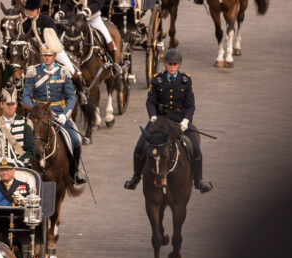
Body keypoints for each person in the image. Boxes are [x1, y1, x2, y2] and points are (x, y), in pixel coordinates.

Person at [126, 48, 213, 192]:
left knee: (195, 149)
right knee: (139, 146)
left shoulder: (186, 80)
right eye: (169, 64)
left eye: (175, 64)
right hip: (160, 120)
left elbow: (190, 105)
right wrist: (152, 116)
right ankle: (135, 178)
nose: (172, 67)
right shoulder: (157, 79)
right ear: (165, 64)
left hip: (179, 121)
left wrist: (186, 120)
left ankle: (199, 179)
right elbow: (150, 101)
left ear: (179, 65)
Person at [22, 44, 86, 185]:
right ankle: (22, 167)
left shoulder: (63, 71)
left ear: (55, 56)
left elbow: (71, 97)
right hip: (37, 113)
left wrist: (65, 114)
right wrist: (35, 110)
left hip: (58, 112)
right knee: (20, 136)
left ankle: (74, 172)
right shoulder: (33, 71)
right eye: (44, 55)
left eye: (49, 55)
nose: (47, 58)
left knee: (76, 140)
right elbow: (26, 95)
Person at [21, 0, 87, 95]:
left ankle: (81, 91)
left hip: (52, 49)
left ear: (38, 9)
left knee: (70, 67)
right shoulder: (24, 24)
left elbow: (53, 36)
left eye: (32, 9)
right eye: (28, 9)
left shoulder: (47, 20)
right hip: (34, 52)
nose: (30, 12)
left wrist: (44, 46)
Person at [0, 87, 35, 167]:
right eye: (8, 104)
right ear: (1, 105)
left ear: (16, 105)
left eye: (13, 104)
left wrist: (18, 164)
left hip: (19, 168)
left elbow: (31, 150)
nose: (10, 107)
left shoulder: (25, 124)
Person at [83, 0, 121, 74]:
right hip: (79, 20)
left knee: (108, 38)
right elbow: (70, 3)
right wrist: (62, 11)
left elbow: (98, 3)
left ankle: (113, 64)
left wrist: (87, 11)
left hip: (93, 19)